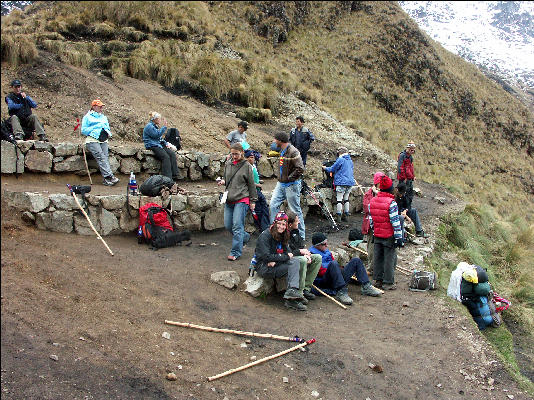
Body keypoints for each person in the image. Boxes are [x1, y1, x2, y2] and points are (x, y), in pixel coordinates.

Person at [309, 232, 382, 305]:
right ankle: (341, 292)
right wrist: (336, 271)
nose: (326, 245)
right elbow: (318, 272)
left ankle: (366, 286)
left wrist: (340, 270)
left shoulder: (326, 251)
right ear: (317, 245)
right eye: (324, 244)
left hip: (336, 276)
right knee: (334, 264)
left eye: (326, 243)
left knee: (356, 260)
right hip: (324, 281)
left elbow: (333, 263)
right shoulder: (312, 254)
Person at [254, 211, 306, 311]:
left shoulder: (283, 235)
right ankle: (291, 299)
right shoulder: (265, 236)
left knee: (295, 262)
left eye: (283, 224)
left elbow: (288, 253)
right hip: (263, 266)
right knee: (291, 265)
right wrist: (280, 257)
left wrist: (277, 259)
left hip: (274, 264)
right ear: (275, 223)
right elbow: (266, 256)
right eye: (279, 223)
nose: (281, 227)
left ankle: (293, 293)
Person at [218, 143, 257, 261]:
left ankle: (235, 252)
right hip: (229, 198)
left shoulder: (247, 166)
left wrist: (253, 200)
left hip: (242, 198)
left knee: (237, 225)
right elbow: (228, 179)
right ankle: (244, 236)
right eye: (232, 153)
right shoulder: (228, 164)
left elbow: (251, 184)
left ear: (242, 153)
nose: (234, 156)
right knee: (228, 225)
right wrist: (222, 181)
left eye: (236, 154)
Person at [269, 131, 306, 239]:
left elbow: (300, 168)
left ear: (280, 140)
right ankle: (276, 232)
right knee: (273, 205)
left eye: (275, 139)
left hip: (292, 185)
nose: (273, 141)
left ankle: (301, 236)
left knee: (295, 210)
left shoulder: (293, 151)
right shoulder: (282, 150)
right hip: (281, 184)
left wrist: (289, 178)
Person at [369, 175, 403, 290]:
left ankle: (377, 280)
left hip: (377, 233)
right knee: (389, 258)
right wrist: (399, 237)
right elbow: (395, 222)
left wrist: (374, 231)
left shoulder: (372, 201)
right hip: (389, 235)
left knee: (378, 257)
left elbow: (371, 219)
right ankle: (388, 282)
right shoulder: (391, 203)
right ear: (389, 189)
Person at [81, 99, 119, 186]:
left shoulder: (103, 117)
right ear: (94, 107)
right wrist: (95, 128)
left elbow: (107, 127)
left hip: (104, 139)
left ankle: (106, 179)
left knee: (105, 158)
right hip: (92, 140)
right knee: (101, 157)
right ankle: (109, 176)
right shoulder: (87, 117)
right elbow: (83, 130)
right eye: (99, 106)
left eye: (102, 106)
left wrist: (107, 132)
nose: (101, 108)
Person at [286, 211, 322, 302]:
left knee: (317, 258)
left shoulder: (296, 231)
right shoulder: (284, 234)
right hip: (290, 259)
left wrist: (306, 253)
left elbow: (301, 245)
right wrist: (301, 253)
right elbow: (288, 252)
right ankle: (299, 292)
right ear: (290, 224)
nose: (299, 222)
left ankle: (306, 288)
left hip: (299, 255)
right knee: (302, 260)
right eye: (296, 221)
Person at [322, 146, 355, 223]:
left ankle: (339, 216)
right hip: (350, 182)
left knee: (339, 199)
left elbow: (332, 169)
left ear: (340, 153)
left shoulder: (340, 159)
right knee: (346, 199)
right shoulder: (350, 161)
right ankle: (346, 216)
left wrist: (325, 168)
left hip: (341, 182)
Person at [143, 112, 179, 181]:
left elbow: (159, 138)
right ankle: (167, 177)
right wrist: (164, 127)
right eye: (159, 119)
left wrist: (166, 144)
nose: (160, 120)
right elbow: (156, 135)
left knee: (171, 154)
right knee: (165, 157)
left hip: (158, 144)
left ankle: (175, 174)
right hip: (152, 145)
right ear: (155, 119)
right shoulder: (149, 126)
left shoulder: (155, 126)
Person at [245, 149, 270, 232]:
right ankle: (262, 228)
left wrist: (259, 182)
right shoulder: (246, 168)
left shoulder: (253, 166)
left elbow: (254, 179)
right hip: (253, 192)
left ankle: (265, 227)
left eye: (253, 157)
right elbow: (247, 181)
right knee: (258, 211)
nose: (252, 159)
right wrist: (257, 184)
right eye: (250, 157)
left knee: (265, 209)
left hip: (258, 191)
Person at [397, 141, 416, 211]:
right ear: (408, 148)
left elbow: (411, 167)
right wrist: (403, 178)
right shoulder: (402, 156)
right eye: (411, 149)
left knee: (410, 193)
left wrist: (413, 176)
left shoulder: (410, 157)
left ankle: (408, 208)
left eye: (413, 150)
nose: (412, 151)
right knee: (402, 194)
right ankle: (400, 209)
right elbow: (400, 168)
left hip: (409, 178)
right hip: (404, 179)